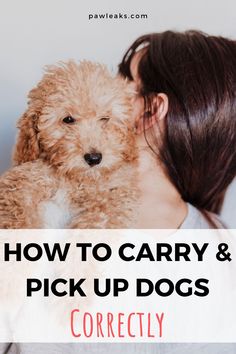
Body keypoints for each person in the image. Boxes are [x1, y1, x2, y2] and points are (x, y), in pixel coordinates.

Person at [2, 30, 236, 354]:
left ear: (152, 111)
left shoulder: (45, 217)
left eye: (124, 78)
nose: (108, 84)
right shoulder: (222, 243)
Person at [118, 30, 236, 229]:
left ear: (151, 111)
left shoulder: (67, 218)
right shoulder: (218, 233)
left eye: (124, 80)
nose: (104, 87)